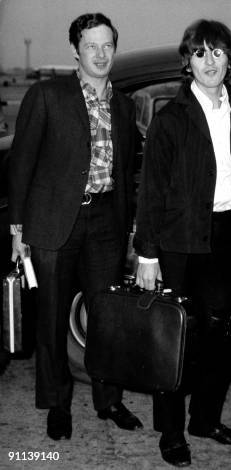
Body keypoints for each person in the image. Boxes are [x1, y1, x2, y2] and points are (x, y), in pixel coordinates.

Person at [8, 13, 141, 441]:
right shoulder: (47, 95)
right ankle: (56, 404)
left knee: (106, 318)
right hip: (52, 222)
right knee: (50, 319)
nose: (100, 55)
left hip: (106, 223)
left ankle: (108, 400)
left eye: (107, 46)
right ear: (75, 51)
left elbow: (124, 172)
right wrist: (17, 229)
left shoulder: (123, 105)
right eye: (91, 46)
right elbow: (21, 164)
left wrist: (128, 229)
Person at [133, 19, 231, 467]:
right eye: (200, 53)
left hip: (225, 238)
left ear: (229, 60)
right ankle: (171, 432)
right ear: (188, 61)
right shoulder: (171, 118)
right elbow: (151, 192)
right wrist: (147, 254)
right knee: (173, 341)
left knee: (220, 337)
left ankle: (205, 419)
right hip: (178, 242)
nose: (210, 61)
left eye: (218, 52)